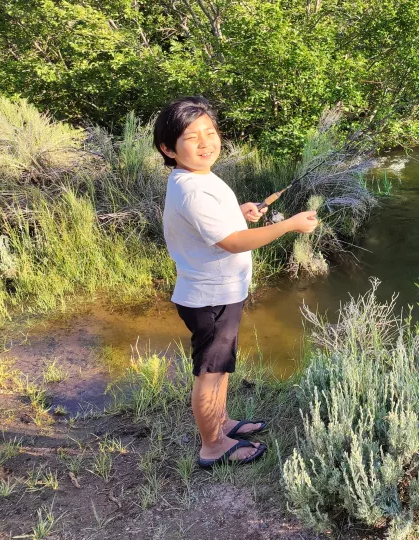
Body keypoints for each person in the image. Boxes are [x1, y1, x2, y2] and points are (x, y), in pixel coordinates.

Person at [154, 96, 318, 467]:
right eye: (191, 137)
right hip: (210, 299)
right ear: (168, 148)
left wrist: (241, 213)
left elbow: (219, 225)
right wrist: (288, 225)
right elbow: (231, 242)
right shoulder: (192, 188)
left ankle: (222, 422)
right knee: (210, 373)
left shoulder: (196, 177)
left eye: (209, 132)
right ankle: (212, 445)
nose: (205, 142)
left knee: (222, 365)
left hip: (219, 294)